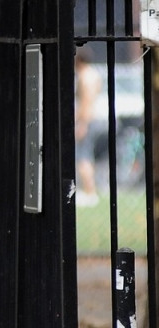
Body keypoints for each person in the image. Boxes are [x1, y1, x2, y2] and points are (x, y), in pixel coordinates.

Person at [74, 46, 102, 207]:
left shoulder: (85, 77)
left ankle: (90, 192)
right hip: (94, 118)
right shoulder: (94, 74)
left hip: (87, 120)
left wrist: (81, 123)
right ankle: (90, 191)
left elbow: (86, 103)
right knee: (87, 154)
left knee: (82, 155)